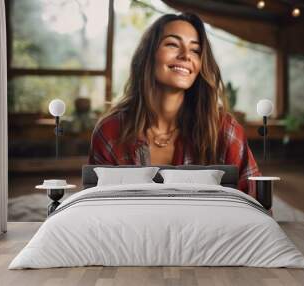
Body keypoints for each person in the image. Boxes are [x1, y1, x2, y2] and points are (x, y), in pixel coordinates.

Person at [88, 13, 260, 198]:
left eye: (195, 50)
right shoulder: (110, 131)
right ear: (149, 53)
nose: (186, 55)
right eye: (172, 44)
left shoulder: (224, 130)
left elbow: (255, 204)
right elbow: (95, 209)